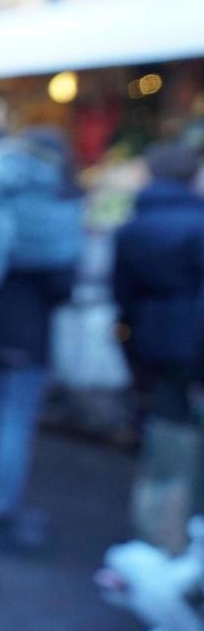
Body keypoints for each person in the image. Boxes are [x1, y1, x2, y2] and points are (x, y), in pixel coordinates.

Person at [0, 128, 81, 551]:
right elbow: (63, 284)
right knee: (13, 421)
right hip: (29, 331)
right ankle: (1, 502)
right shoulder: (59, 204)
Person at [112, 141, 204, 426]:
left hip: (148, 326)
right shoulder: (197, 222)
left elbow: (122, 288)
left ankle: (162, 466)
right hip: (191, 327)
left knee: (161, 404)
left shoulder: (134, 223)